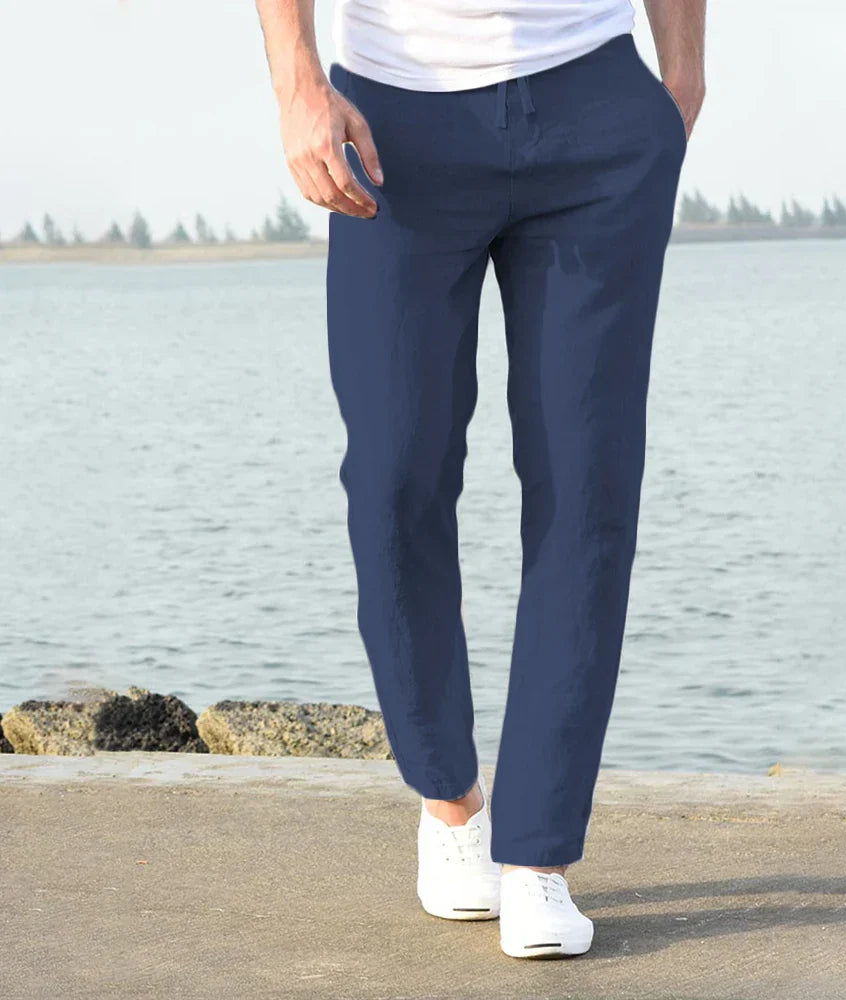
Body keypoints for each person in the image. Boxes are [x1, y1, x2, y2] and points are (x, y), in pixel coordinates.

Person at [256, 0, 705, 959]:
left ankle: (539, 859)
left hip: (596, 106)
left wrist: (681, 75)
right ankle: (451, 804)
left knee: (587, 486)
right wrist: (297, 81)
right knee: (393, 478)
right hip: (392, 117)